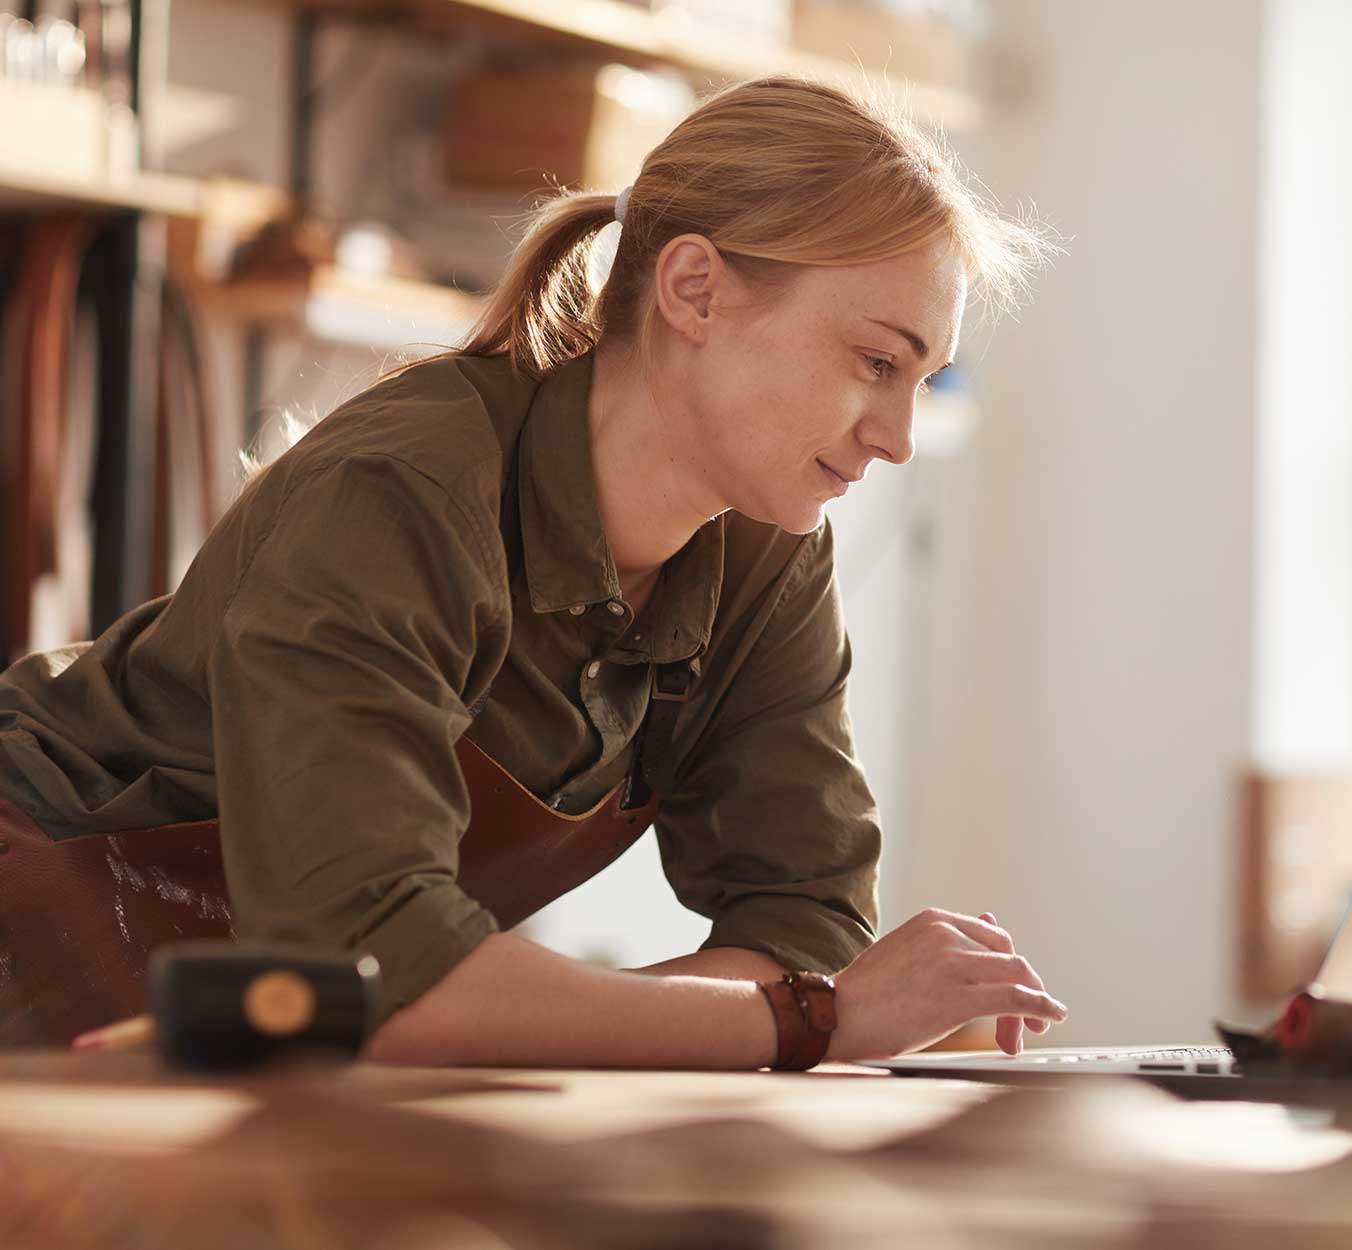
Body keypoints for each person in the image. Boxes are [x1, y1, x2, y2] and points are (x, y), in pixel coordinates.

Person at [0, 75, 1066, 1068]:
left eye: (922, 378)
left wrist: (756, 1012)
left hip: (261, 1029)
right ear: (694, 289)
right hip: (32, 937)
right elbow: (375, 971)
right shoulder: (401, 489)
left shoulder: (766, 556)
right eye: (876, 361)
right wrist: (801, 1020)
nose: (898, 437)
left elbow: (804, 931)